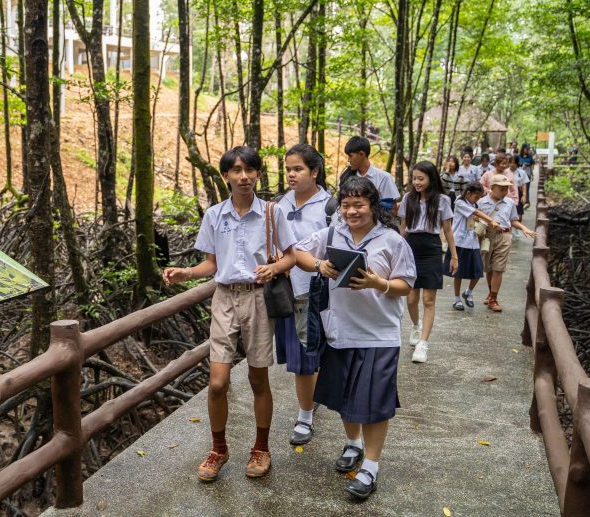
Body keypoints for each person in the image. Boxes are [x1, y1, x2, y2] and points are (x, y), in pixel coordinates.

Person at [162, 146, 297, 482]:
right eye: (236, 170)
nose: (243, 177)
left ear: (258, 175)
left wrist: (274, 267)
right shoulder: (215, 215)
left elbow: (292, 257)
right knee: (218, 381)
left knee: (257, 378)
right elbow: (212, 263)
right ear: (225, 176)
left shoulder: (271, 213)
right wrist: (186, 274)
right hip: (224, 299)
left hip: (258, 299)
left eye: (250, 170)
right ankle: (218, 448)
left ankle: (261, 447)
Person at [293, 177, 416, 500]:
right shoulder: (333, 234)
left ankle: (370, 467)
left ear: (373, 206)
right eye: (346, 205)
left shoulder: (391, 241)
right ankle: (354, 444)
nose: (351, 211)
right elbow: (299, 253)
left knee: (374, 403)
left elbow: (406, 284)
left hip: (379, 334)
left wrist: (379, 283)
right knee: (347, 399)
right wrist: (320, 265)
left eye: (359, 205)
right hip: (340, 331)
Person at [273, 144, 330, 446]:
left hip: (316, 291)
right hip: (288, 291)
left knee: (307, 357)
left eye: (298, 169)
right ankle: (309, 403)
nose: (291, 175)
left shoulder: (330, 206)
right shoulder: (282, 203)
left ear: (314, 171)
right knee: (301, 357)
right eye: (288, 170)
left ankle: (305, 417)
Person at [399, 161, 458, 364]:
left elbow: (448, 230)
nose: (416, 182)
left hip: (432, 247)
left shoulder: (442, 200)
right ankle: (416, 326)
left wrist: (454, 256)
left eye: (421, 178)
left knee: (428, 300)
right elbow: (403, 229)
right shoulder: (408, 198)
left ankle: (423, 343)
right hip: (411, 247)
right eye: (414, 178)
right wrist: (396, 250)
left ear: (431, 179)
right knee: (411, 298)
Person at [476, 174, 537, 312]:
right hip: (487, 237)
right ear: (492, 188)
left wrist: (524, 228)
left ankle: (493, 298)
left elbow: (513, 220)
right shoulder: (481, 202)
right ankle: (491, 292)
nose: (505, 192)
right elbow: (475, 218)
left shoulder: (509, 203)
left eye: (506, 189)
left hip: (504, 236)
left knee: (499, 267)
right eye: (501, 189)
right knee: (489, 267)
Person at [443, 182, 500, 310]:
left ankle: (468, 292)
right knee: (458, 273)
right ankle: (456, 298)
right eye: (476, 196)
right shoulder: (460, 202)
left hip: (473, 241)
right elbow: (475, 212)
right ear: (468, 193)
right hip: (459, 241)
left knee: (478, 271)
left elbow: (476, 214)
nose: (478, 199)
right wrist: (490, 220)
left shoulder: (474, 203)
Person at [341, 136, 401, 214]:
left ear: (361, 154)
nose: (349, 160)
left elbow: (392, 210)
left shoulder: (383, 178)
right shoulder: (347, 177)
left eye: (350, 156)